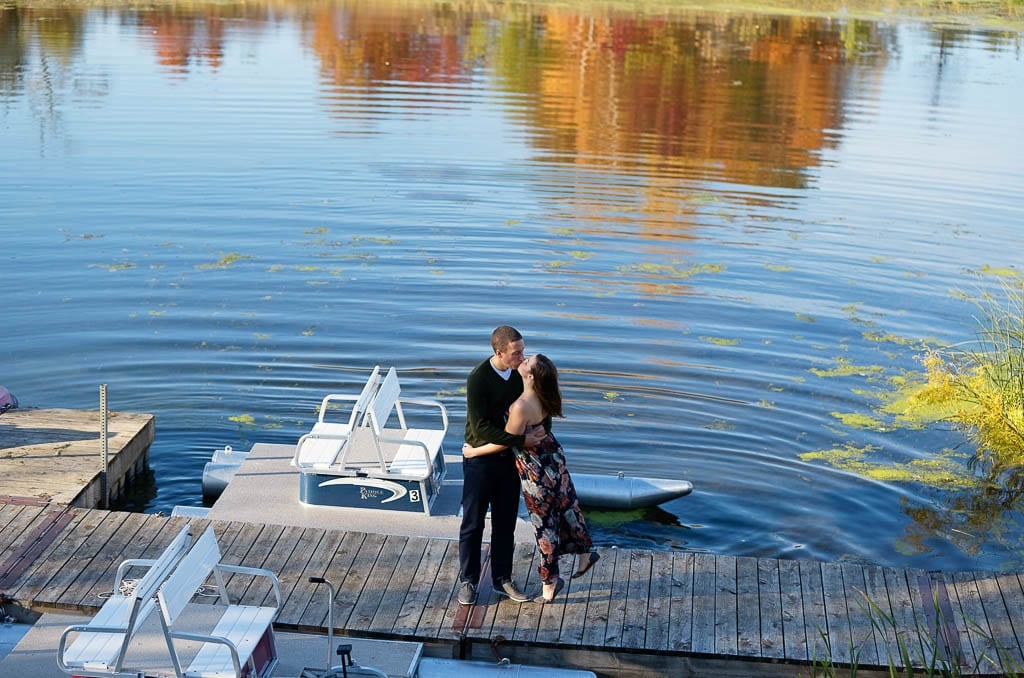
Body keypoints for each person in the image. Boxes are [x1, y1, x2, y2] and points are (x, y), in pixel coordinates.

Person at [463, 353, 599, 604]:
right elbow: (542, 427)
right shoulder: (545, 395)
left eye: (527, 361)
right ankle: (585, 553)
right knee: (568, 506)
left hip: (535, 468)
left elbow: (504, 442)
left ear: (530, 375)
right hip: (554, 457)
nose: (522, 359)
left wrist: (474, 451)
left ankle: (550, 584)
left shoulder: (521, 406)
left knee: (544, 525)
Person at [458, 326, 546, 606]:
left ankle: (502, 579)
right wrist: (521, 438)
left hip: (509, 460)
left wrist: (531, 436)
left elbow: (535, 404)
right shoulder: (479, 379)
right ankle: (468, 580)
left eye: (522, 350)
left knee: (505, 522)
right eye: (516, 352)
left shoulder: (520, 375)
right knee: (472, 524)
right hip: (480, 460)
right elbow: (481, 427)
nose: (522, 356)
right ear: (499, 352)